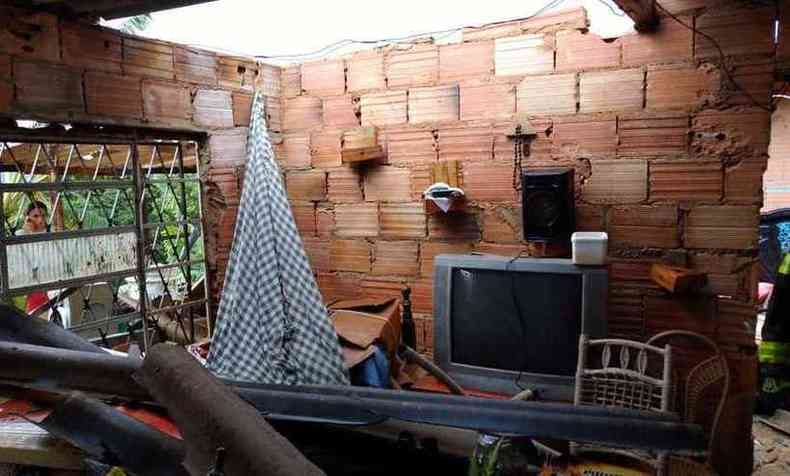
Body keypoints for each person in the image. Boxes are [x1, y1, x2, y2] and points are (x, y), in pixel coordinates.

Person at [17, 201, 50, 314]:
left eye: (43, 216)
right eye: (35, 216)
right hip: (28, 285)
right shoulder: (19, 235)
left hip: (49, 281)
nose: (40, 220)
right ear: (28, 218)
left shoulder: (51, 233)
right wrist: (29, 233)